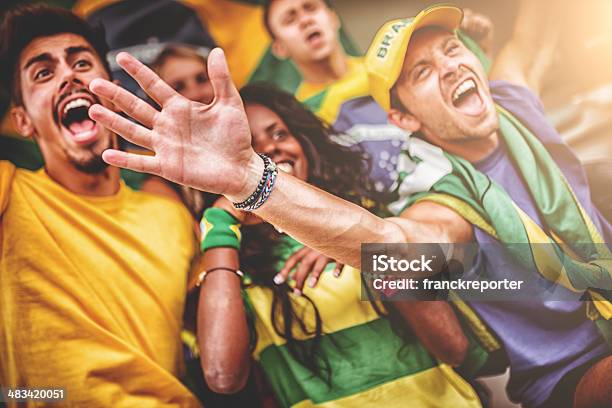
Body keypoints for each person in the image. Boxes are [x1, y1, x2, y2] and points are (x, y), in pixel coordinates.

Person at [87, 5, 612, 408]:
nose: (449, 67)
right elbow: (391, 246)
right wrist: (246, 181)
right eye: (422, 72)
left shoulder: (514, 103)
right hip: (575, 376)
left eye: (453, 49)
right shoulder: (446, 206)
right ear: (401, 120)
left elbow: (536, 35)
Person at [197, 83, 482, 407]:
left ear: (304, 144)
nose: (270, 151)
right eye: (249, 149)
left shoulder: (370, 222)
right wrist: (221, 223)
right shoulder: (232, 267)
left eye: (279, 134)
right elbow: (222, 375)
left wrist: (346, 241)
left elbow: (453, 347)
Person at [0, 6, 201, 407]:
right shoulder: (10, 195)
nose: (68, 75)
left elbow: (225, 362)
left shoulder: (172, 217)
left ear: (111, 90)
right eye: (43, 72)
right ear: (22, 120)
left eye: (81, 63)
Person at [263, 0, 493, 204]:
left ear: (333, 17)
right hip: (402, 215)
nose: (305, 20)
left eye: (310, 7)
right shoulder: (300, 119)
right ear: (279, 48)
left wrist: (477, 47)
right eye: (290, 18)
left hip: (472, 174)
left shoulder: (395, 66)